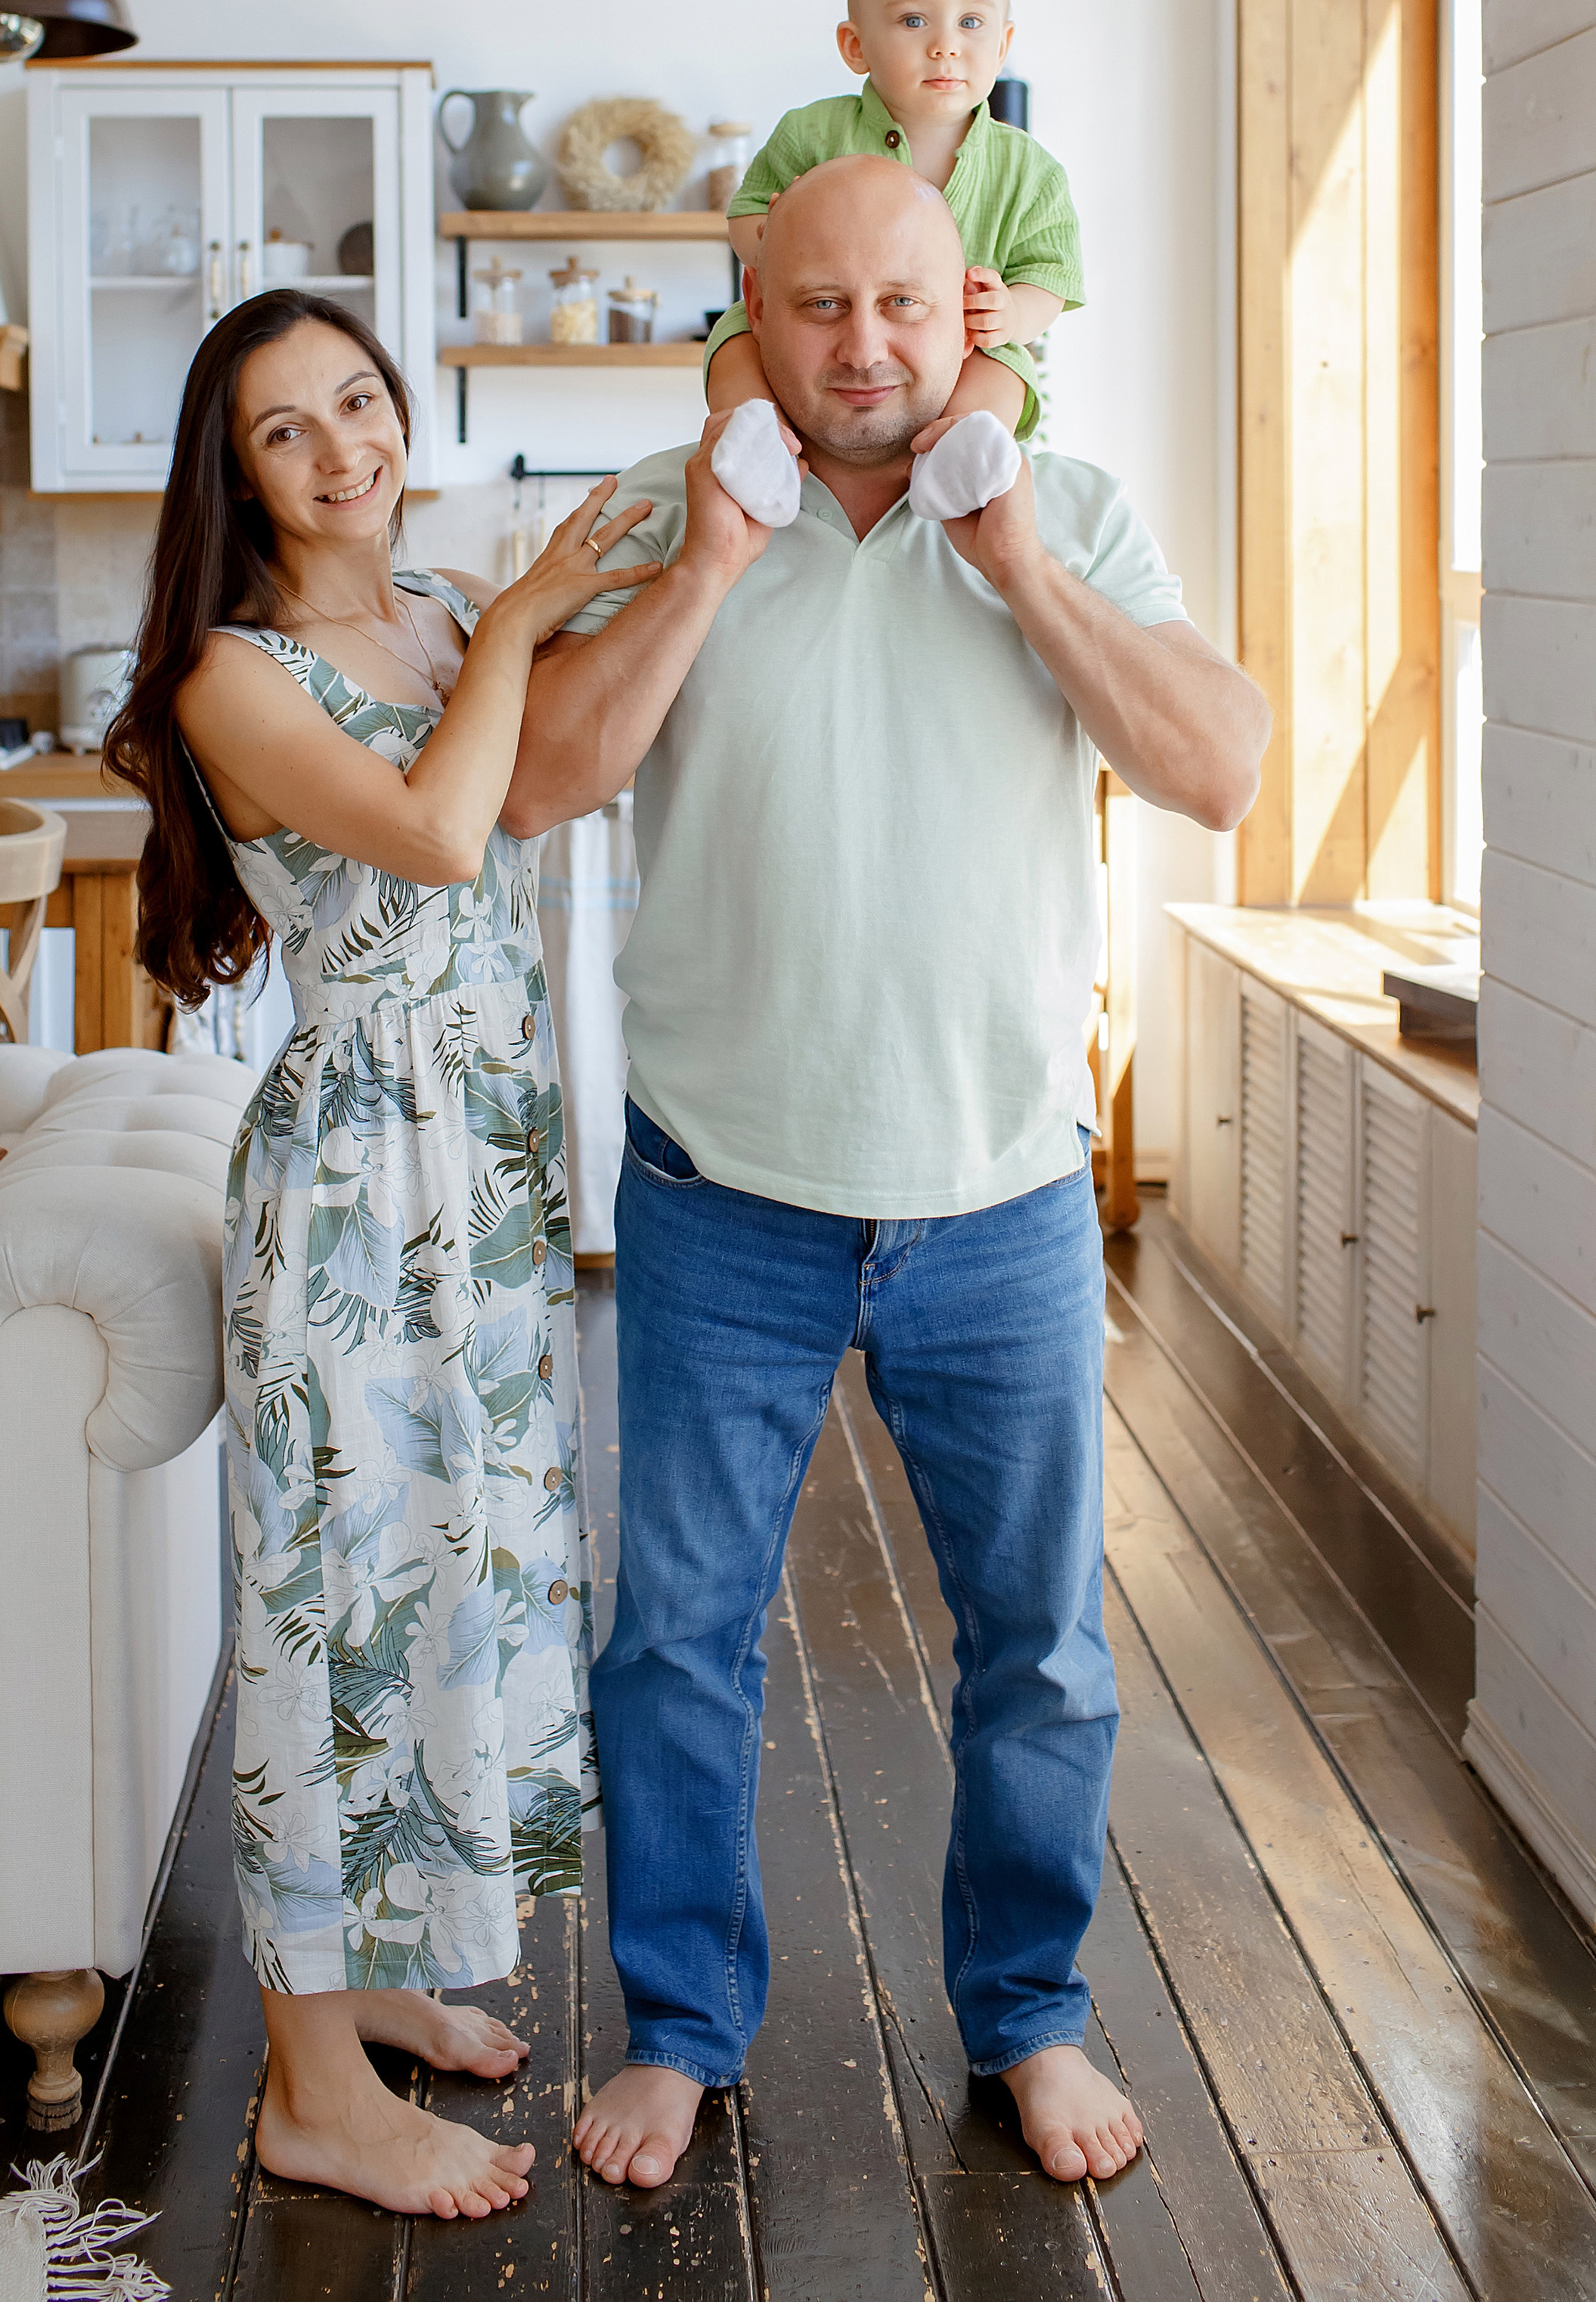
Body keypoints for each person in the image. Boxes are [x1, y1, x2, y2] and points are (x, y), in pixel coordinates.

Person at [502, 155, 1269, 2191]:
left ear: (967, 321)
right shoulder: (672, 521)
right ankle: (680, 2022)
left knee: (1041, 1646)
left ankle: (1027, 2016)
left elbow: (1218, 766)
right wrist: (707, 566)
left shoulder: (1070, 512)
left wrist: (1018, 558)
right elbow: (533, 781)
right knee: (677, 1635)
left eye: (901, 310)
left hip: (1002, 1197)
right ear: (753, 317)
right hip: (716, 1193)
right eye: (819, 308)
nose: (861, 350)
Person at [107, 288, 655, 2222]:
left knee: (451, 1571)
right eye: (287, 426)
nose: (346, 444)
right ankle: (306, 2088)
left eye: (360, 396)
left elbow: (537, 772)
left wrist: (570, 596)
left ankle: (377, 1984)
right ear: (230, 467)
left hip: (479, 1163)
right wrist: (516, 620)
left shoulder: (425, 608)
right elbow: (434, 832)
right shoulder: (222, 671)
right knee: (330, 1619)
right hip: (353, 1183)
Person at [702, 0, 1080, 474]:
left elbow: (1051, 272)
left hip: (963, 345)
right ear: (856, 46)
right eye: (913, 21)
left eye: (971, 23)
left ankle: (961, 459)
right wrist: (777, 238)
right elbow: (747, 214)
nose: (945, 45)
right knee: (735, 336)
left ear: (1003, 45)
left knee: (1006, 368)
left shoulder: (1029, 169)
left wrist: (1012, 314)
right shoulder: (812, 132)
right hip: (826, 330)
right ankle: (757, 444)